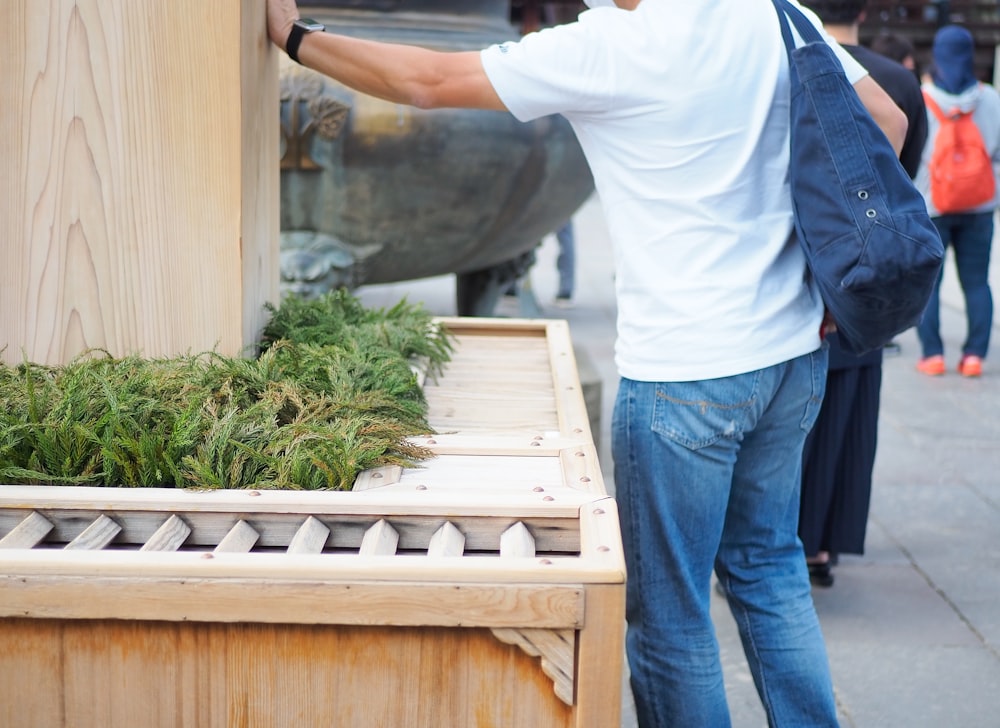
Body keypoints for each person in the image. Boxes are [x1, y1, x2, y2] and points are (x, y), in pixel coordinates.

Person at [263, 1, 907, 724]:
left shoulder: (610, 46)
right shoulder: (771, 12)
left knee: (671, 616)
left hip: (684, 374)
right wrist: (822, 273)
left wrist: (295, 37)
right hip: (791, 353)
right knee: (770, 571)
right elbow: (886, 118)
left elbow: (428, 85)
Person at [798, 0, 929, 588]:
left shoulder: (792, 56)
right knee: (849, 413)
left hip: (803, 261)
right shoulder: (895, 79)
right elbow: (907, 164)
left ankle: (774, 540)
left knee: (789, 416)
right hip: (865, 266)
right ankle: (824, 546)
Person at [914, 25, 999, 378]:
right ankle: (974, 357)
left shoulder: (921, 97)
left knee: (929, 284)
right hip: (980, 205)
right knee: (977, 282)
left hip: (933, 205)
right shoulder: (991, 98)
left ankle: (933, 355)